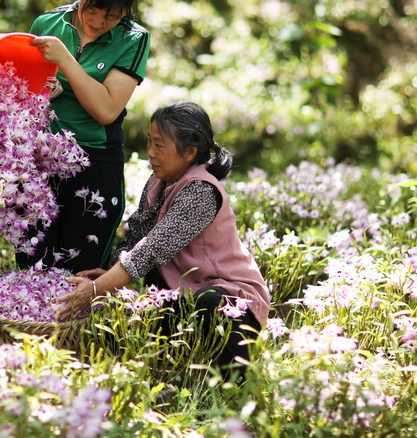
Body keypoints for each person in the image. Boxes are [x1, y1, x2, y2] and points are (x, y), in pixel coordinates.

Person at [55, 101, 271, 376]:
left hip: (229, 301)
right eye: (149, 142)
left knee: (207, 303)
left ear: (189, 152)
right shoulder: (159, 181)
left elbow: (152, 249)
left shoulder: (200, 191)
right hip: (180, 296)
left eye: (159, 145)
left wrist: (97, 289)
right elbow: (135, 236)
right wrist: (109, 276)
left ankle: (237, 385)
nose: (150, 153)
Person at [17, 0, 150, 274]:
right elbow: (20, 88)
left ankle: (72, 327)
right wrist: (39, 91)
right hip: (37, 160)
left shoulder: (132, 38)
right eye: (90, 7)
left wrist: (65, 61)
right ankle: (28, 327)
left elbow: (106, 110)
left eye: (111, 16)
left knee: (80, 269)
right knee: (32, 263)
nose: (98, 20)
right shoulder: (47, 24)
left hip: (94, 161)